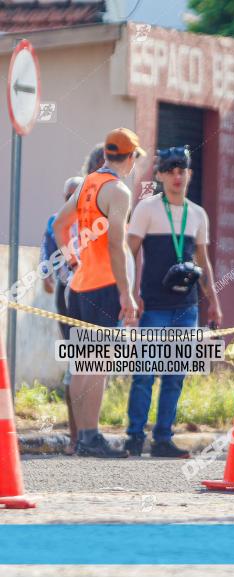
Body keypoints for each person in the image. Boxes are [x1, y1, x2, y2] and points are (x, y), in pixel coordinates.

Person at [124, 146, 222, 458]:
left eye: (183, 170)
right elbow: (129, 253)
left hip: (187, 308)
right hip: (153, 306)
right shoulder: (147, 209)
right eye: (171, 170)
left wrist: (214, 303)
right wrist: (128, 294)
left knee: (175, 375)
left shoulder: (197, 214)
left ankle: (163, 438)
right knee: (144, 375)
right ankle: (134, 437)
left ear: (189, 174)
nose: (177, 176)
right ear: (160, 175)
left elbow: (203, 262)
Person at [53, 128, 142, 458]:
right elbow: (117, 245)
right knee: (97, 364)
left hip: (77, 287)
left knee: (82, 364)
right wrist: (126, 293)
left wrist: (71, 257)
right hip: (103, 287)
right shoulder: (118, 191)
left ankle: (85, 437)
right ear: (130, 157)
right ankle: (90, 437)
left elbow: (59, 225)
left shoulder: (87, 183)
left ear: (107, 155)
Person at [41, 176, 82, 455]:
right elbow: (47, 248)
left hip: (95, 294)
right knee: (76, 361)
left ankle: (90, 431)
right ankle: (76, 435)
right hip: (68, 293)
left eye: (75, 196)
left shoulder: (95, 221)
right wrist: (46, 273)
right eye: (67, 196)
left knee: (94, 363)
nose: (71, 202)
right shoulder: (57, 221)